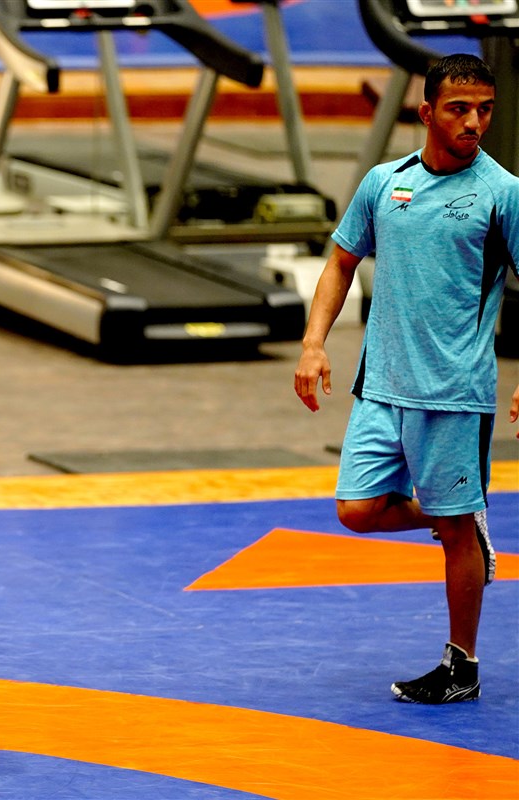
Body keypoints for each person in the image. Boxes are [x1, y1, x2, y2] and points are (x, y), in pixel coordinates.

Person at [294, 53, 518, 704]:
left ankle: (461, 666)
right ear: (426, 113)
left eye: (485, 110)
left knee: (453, 533)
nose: (473, 122)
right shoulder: (384, 183)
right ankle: (461, 520)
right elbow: (341, 262)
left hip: (454, 393)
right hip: (381, 385)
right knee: (357, 510)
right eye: (458, 109)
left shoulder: (503, 193)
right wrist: (313, 344)